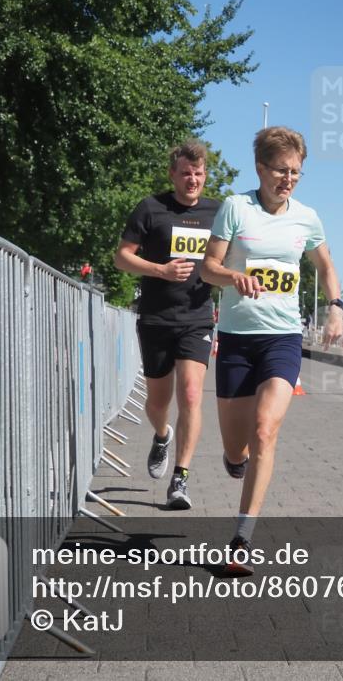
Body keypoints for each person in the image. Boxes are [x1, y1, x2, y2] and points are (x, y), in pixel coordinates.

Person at [200, 126, 343, 575]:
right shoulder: (235, 208)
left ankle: (241, 539)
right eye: (281, 170)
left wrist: (335, 307)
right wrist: (232, 277)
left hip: (282, 337)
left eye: (296, 172)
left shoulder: (307, 217)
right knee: (236, 444)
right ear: (261, 168)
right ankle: (234, 459)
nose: (289, 179)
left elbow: (325, 264)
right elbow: (208, 268)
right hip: (238, 339)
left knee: (265, 431)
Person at [115, 139, 220, 509]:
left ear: (206, 175)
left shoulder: (217, 213)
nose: (193, 179)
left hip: (197, 318)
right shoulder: (151, 208)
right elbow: (122, 258)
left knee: (191, 394)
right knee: (158, 402)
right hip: (157, 317)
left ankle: (181, 478)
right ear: (173, 174)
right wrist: (160, 270)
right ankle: (162, 435)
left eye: (199, 173)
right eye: (186, 173)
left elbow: (229, 261)